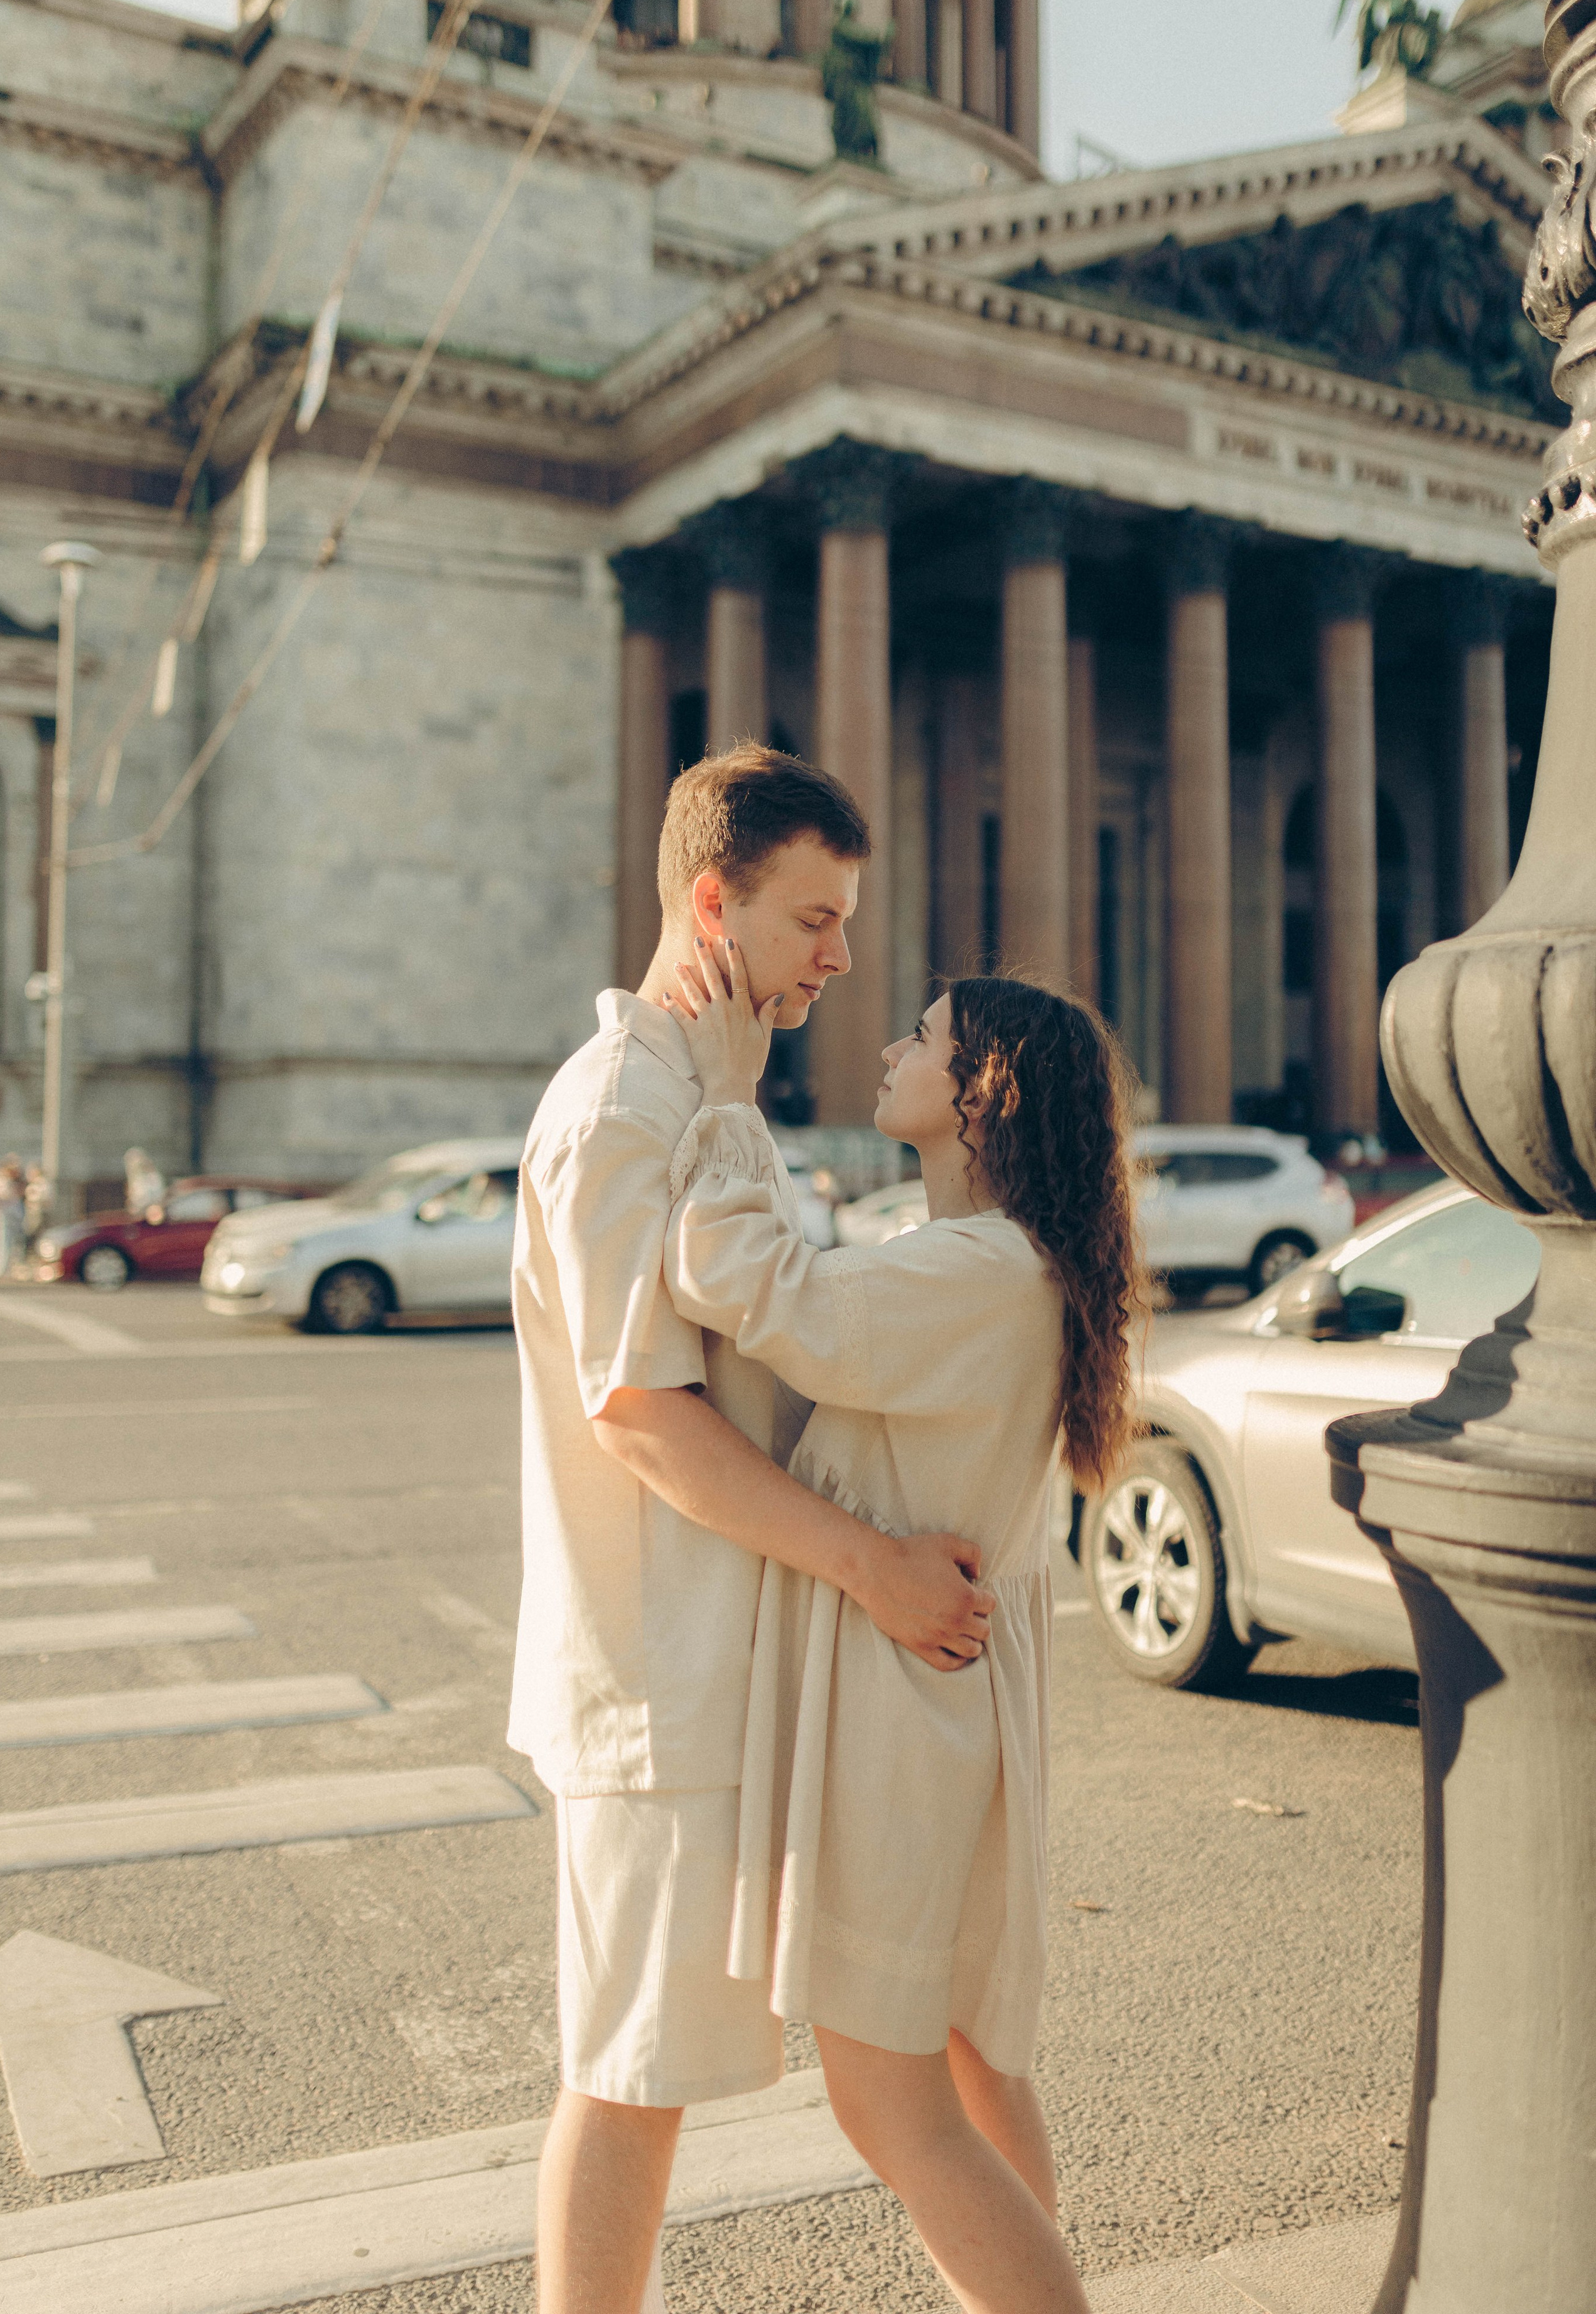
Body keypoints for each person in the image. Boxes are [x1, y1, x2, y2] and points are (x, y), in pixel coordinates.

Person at [509, 743, 996, 2314]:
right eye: (812, 919)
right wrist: (873, 1565)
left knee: (698, 2063)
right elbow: (638, 1412)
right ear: (710, 903)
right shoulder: (615, 1108)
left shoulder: (707, 1094)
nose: (839, 959)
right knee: (628, 2066)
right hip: (658, 1672)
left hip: (736, 1660)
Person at [661, 950, 1146, 2314]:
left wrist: (722, 1098)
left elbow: (745, 1284)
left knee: (892, 2106)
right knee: (974, 2063)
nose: (888, 1048)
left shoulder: (978, 1270)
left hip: (900, 1712)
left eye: (922, 1037)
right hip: (941, 1701)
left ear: (978, 1089)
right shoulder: (999, 1263)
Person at [0, 1154, 26, 1279]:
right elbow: (0, 1195)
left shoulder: (14, 1182)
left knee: (15, 1245)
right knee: (2, 1244)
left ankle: (11, 1271)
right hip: (2, 1217)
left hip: (14, 1217)